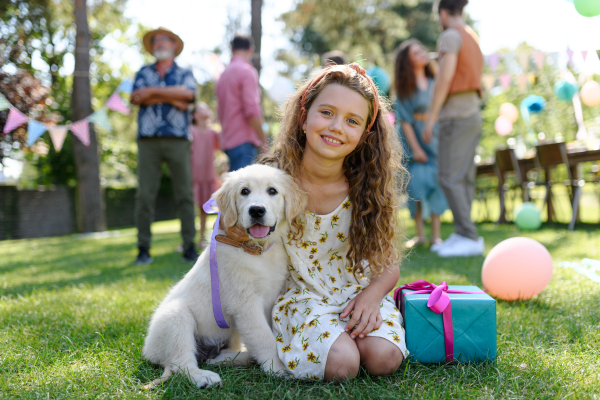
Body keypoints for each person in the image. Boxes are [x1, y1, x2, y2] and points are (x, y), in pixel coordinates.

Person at [227, 64, 409, 381]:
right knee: (342, 366)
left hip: (358, 293)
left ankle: (349, 336)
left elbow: (388, 262)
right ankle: (334, 343)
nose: (337, 127)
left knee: (384, 359)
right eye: (327, 112)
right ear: (304, 114)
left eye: (352, 120)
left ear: (365, 132)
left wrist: (371, 297)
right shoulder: (272, 181)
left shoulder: (369, 188)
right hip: (300, 299)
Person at [130, 27, 199, 265]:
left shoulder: (185, 72)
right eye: (156, 40)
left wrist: (151, 93)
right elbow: (136, 97)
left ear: (173, 45)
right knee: (144, 196)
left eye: (164, 39)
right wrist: (173, 96)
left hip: (178, 139)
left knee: (185, 195)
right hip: (147, 140)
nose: (159, 43)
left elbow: (189, 96)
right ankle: (143, 249)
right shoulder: (143, 72)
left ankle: (189, 247)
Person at [422, 0, 485, 257]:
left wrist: (431, 116)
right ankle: (463, 233)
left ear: (443, 13)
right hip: (472, 114)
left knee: (448, 176)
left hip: (456, 117)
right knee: (463, 177)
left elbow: (445, 77)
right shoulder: (472, 36)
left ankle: (469, 236)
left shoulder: (450, 35)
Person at [394, 39, 449, 249]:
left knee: (437, 183)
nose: (423, 54)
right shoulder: (404, 87)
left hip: (436, 136)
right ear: (407, 62)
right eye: (416, 53)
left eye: (421, 50)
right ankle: (420, 234)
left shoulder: (435, 80)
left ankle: (436, 235)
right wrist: (416, 148)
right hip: (415, 137)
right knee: (415, 183)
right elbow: (405, 121)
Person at [215, 35, 267, 172]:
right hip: (243, 141)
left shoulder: (223, 75)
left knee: (235, 187)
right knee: (243, 190)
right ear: (251, 50)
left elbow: (220, 111)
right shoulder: (247, 71)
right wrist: (264, 140)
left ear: (232, 50)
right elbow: (251, 109)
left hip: (228, 140)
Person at [190, 102, 220, 250]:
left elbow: (222, 143)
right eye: (203, 107)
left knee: (204, 210)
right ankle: (188, 240)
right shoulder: (191, 131)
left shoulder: (213, 133)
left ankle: (201, 239)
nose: (207, 109)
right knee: (190, 207)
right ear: (195, 115)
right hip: (193, 176)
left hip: (208, 176)